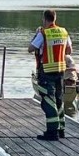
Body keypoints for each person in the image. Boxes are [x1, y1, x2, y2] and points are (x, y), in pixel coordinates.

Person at [28, 9, 70, 140]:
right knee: (58, 99)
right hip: (61, 70)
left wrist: (36, 36)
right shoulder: (64, 32)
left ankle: (52, 132)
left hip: (46, 70)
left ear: (44, 19)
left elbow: (30, 48)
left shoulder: (43, 33)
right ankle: (61, 130)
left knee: (48, 100)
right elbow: (69, 50)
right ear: (55, 18)